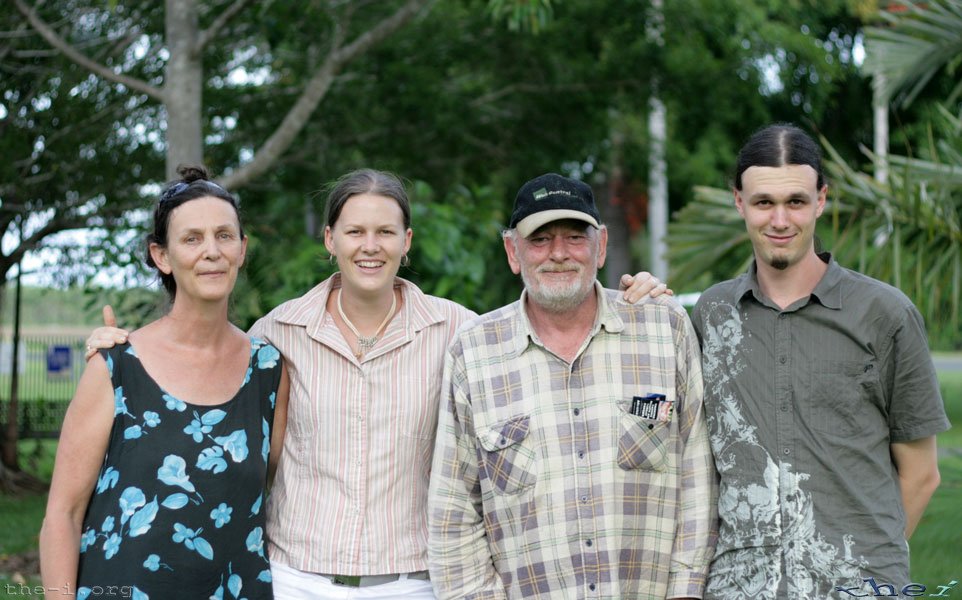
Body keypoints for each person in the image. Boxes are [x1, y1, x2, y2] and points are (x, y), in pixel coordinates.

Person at [84, 168, 666, 600]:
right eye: (355, 231)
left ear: (407, 242)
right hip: (296, 580)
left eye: (385, 231)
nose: (370, 246)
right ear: (330, 240)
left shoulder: (460, 332)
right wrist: (119, 347)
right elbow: (214, 404)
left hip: (414, 581)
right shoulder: (277, 334)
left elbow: (548, 348)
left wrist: (633, 297)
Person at [427, 173, 718, 599]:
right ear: (513, 251)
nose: (559, 254)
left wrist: (685, 591)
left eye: (574, 238)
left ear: (600, 246)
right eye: (540, 239)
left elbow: (697, 477)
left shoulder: (663, 327)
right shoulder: (474, 353)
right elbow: (453, 514)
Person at [689, 124, 949, 598]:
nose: (780, 220)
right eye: (764, 202)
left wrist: (859, 566)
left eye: (796, 201)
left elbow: (922, 474)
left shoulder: (884, 314)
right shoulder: (713, 314)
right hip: (740, 588)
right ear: (739, 203)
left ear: (821, 200)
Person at [40, 166, 290, 599]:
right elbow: (63, 514)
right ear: (162, 256)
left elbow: (275, 489)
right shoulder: (117, 366)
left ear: (242, 249)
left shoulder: (269, 370)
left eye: (224, 236)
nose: (211, 251)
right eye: (192, 239)